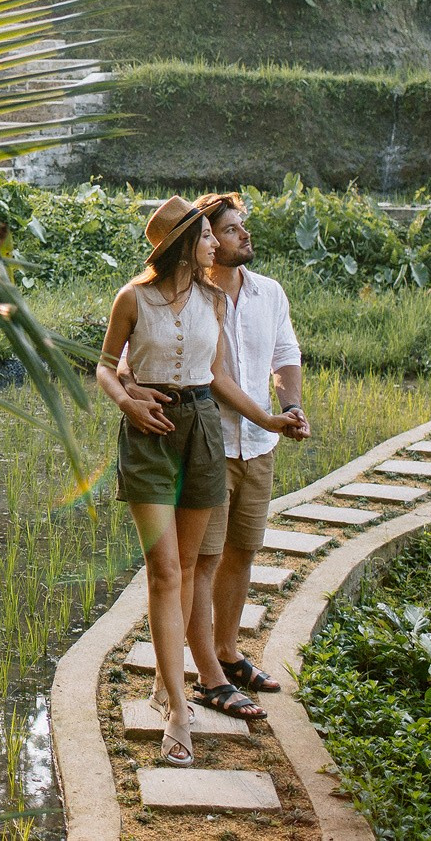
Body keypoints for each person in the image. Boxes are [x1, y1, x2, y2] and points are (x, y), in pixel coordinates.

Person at [99, 194, 304, 766]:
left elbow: (216, 376)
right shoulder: (132, 297)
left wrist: (270, 417)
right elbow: (107, 364)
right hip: (150, 433)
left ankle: (167, 682)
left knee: (188, 568)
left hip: (203, 431)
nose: (217, 241)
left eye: (221, 233)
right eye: (209, 235)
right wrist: (128, 398)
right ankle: (178, 710)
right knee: (166, 569)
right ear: (187, 244)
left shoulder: (212, 300)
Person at [188, 193, 307, 715]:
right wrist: (266, 416)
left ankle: (228, 651)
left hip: (258, 448)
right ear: (207, 241)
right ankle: (208, 677)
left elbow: (285, 354)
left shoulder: (269, 293)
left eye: (243, 226)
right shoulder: (191, 295)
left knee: (242, 552)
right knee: (204, 560)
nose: (244, 234)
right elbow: (213, 377)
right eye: (231, 229)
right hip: (208, 445)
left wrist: (291, 406)